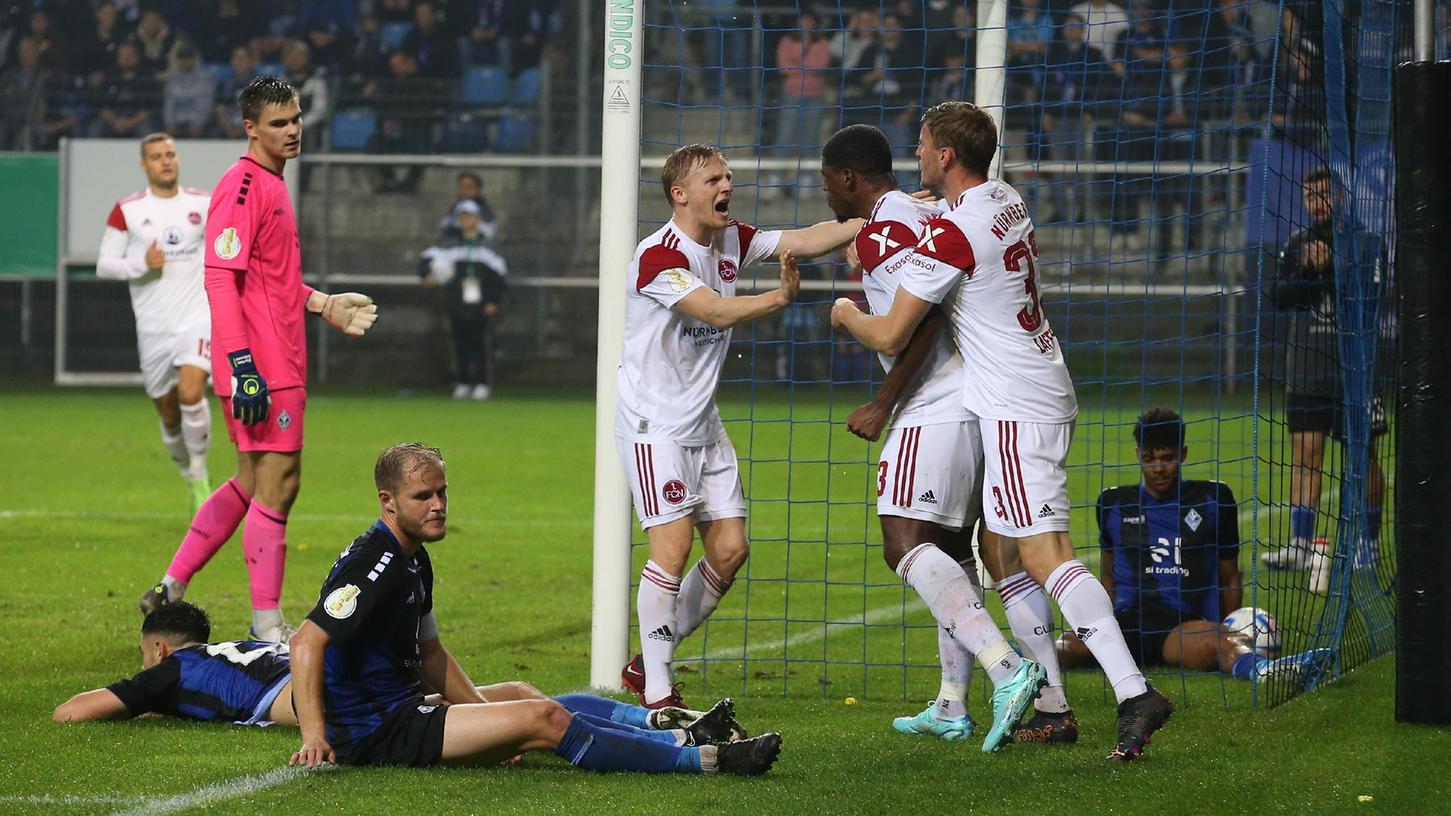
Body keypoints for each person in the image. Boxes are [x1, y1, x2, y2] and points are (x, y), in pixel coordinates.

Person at [829, 101, 1172, 761]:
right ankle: (1051, 709)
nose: (917, 155)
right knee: (1004, 555)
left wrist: (845, 312)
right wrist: (930, 213)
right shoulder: (1004, 198)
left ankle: (1133, 692)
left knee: (1046, 554)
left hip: (1015, 405)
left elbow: (893, 331)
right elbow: (955, 224)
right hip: (1037, 380)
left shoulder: (952, 236)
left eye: (925, 146)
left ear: (945, 157)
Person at [287, 443, 781, 773]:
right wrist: (314, 736)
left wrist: (487, 723)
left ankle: (674, 727)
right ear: (387, 501)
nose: (438, 504)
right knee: (543, 718)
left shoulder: (411, 558)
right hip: (379, 732)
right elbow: (306, 641)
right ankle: (706, 758)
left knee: (521, 694)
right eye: (423, 496)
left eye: (442, 492)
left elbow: (431, 653)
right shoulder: (375, 565)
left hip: (402, 708)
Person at [818, 123, 1048, 753]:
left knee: (902, 543)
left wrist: (881, 395)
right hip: (973, 399)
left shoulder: (888, 230)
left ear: (846, 179)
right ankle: (951, 702)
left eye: (825, 182)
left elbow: (921, 321)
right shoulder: (909, 215)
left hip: (935, 402)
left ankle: (1008, 670)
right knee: (952, 548)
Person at [615, 144, 861, 710]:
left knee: (729, 550)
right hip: (655, 425)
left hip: (702, 421)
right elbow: (714, 312)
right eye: (712, 179)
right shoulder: (658, 258)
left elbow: (803, 238)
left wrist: (876, 216)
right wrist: (780, 297)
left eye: (728, 176)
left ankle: (643, 664)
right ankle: (658, 691)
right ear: (679, 194)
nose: (726, 185)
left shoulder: (731, 240)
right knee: (672, 549)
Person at [136, 76, 379, 644]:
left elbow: (273, 281)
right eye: (278, 123)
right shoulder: (244, 186)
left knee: (251, 480)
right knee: (279, 485)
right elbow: (221, 278)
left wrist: (322, 304)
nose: (291, 130)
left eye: (295, 119)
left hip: (275, 356)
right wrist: (244, 366)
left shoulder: (270, 182)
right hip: (263, 365)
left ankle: (171, 587)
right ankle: (267, 626)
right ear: (250, 127)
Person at [54, 601, 748, 747]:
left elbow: (76, 711)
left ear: (157, 650)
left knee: (487, 727)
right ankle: (660, 721)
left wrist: (141, 699)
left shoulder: (170, 670)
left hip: (304, 698)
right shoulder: (228, 646)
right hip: (328, 671)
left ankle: (675, 745)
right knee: (505, 697)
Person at [1058, 409, 1331, 684]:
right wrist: (1102, 623)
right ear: (1137, 454)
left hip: (1181, 627)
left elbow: (1230, 576)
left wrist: (1224, 625)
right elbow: (1109, 575)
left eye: (1167, 458)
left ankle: (1267, 672)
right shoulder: (1113, 503)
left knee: (1225, 643)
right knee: (1062, 647)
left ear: (1183, 453)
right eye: (1149, 459)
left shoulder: (1213, 499)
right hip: (1126, 627)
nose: (1158, 468)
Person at [1259, 167, 1388, 594]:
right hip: (1309, 369)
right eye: (1310, 196)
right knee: (1304, 452)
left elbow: (1371, 297)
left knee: (1361, 458)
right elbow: (1278, 295)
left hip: (1355, 369)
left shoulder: (1367, 243)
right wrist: (1311, 272)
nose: (1316, 204)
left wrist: (1331, 268)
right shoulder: (1298, 244)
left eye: (1323, 196)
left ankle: (1369, 542)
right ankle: (1300, 542)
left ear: (1342, 199)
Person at [96, 134, 214, 512]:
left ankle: (201, 477)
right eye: (157, 157)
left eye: (170, 155)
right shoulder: (127, 210)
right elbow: (104, 264)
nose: (166, 161)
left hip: (196, 318)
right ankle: (189, 474)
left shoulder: (203, 203)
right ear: (144, 165)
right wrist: (139, 265)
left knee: (191, 393)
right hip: (153, 329)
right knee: (168, 413)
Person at [420, 200, 507, 400]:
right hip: (456, 301)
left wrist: (493, 300)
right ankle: (463, 382)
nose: (466, 220)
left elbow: (499, 275)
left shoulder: (488, 245)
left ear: (477, 219)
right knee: (460, 342)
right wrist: (428, 274)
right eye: (462, 217)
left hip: (480, 301)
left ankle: (482, 382)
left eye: (470, 216)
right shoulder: (448, 243)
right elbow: (426, 262)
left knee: (480, 342)